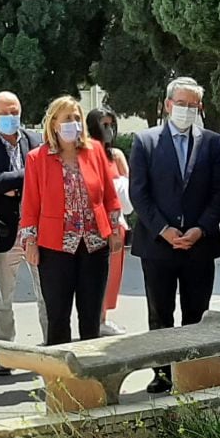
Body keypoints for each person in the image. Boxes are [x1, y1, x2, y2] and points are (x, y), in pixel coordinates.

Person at [128, 77, 220, 393]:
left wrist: (201, 228)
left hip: (199, 244)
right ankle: (162, 374)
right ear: (168, 104)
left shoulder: (212, 142)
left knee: (196, 313)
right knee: (160, 314)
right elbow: (139, 193)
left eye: (192, 104)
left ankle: (193, 371)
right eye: (181, 103)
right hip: (158, 244)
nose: (186, 109)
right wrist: (164, 229)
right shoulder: (145, 141)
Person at [19, 96, 122, 346]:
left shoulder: (94, 151)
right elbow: (30, 204)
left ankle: (90, 379)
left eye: (77, 118)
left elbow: (109, 194)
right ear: (54, 123)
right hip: (55, 247)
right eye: (67, 118)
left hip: (94, 244)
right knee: (58, 317)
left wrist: (115, 228)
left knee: (90, 316)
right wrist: (30, 242)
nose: (73, 123)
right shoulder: (37, 157)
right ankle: (59, 380)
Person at [0, 91, 47, 374]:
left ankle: (51, 348)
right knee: (3, 298)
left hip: (37, 230)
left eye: (14, 111)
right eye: (4, 113)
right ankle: (7, 354)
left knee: (47, 293)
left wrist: (14, 184)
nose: (11, 117)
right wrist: (31, 175)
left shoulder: (36, 140)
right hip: (4, 233)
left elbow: (47, 178)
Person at [85, 106, 131, 337]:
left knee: (112, 273)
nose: (109, 129)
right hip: (90, 223)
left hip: (115, 222)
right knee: (91, 276)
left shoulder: (116, 156)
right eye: (103, 125)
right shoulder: (84, 154)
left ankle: (103, 318)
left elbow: (128, 186)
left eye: (111, 124)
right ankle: (91, 319)